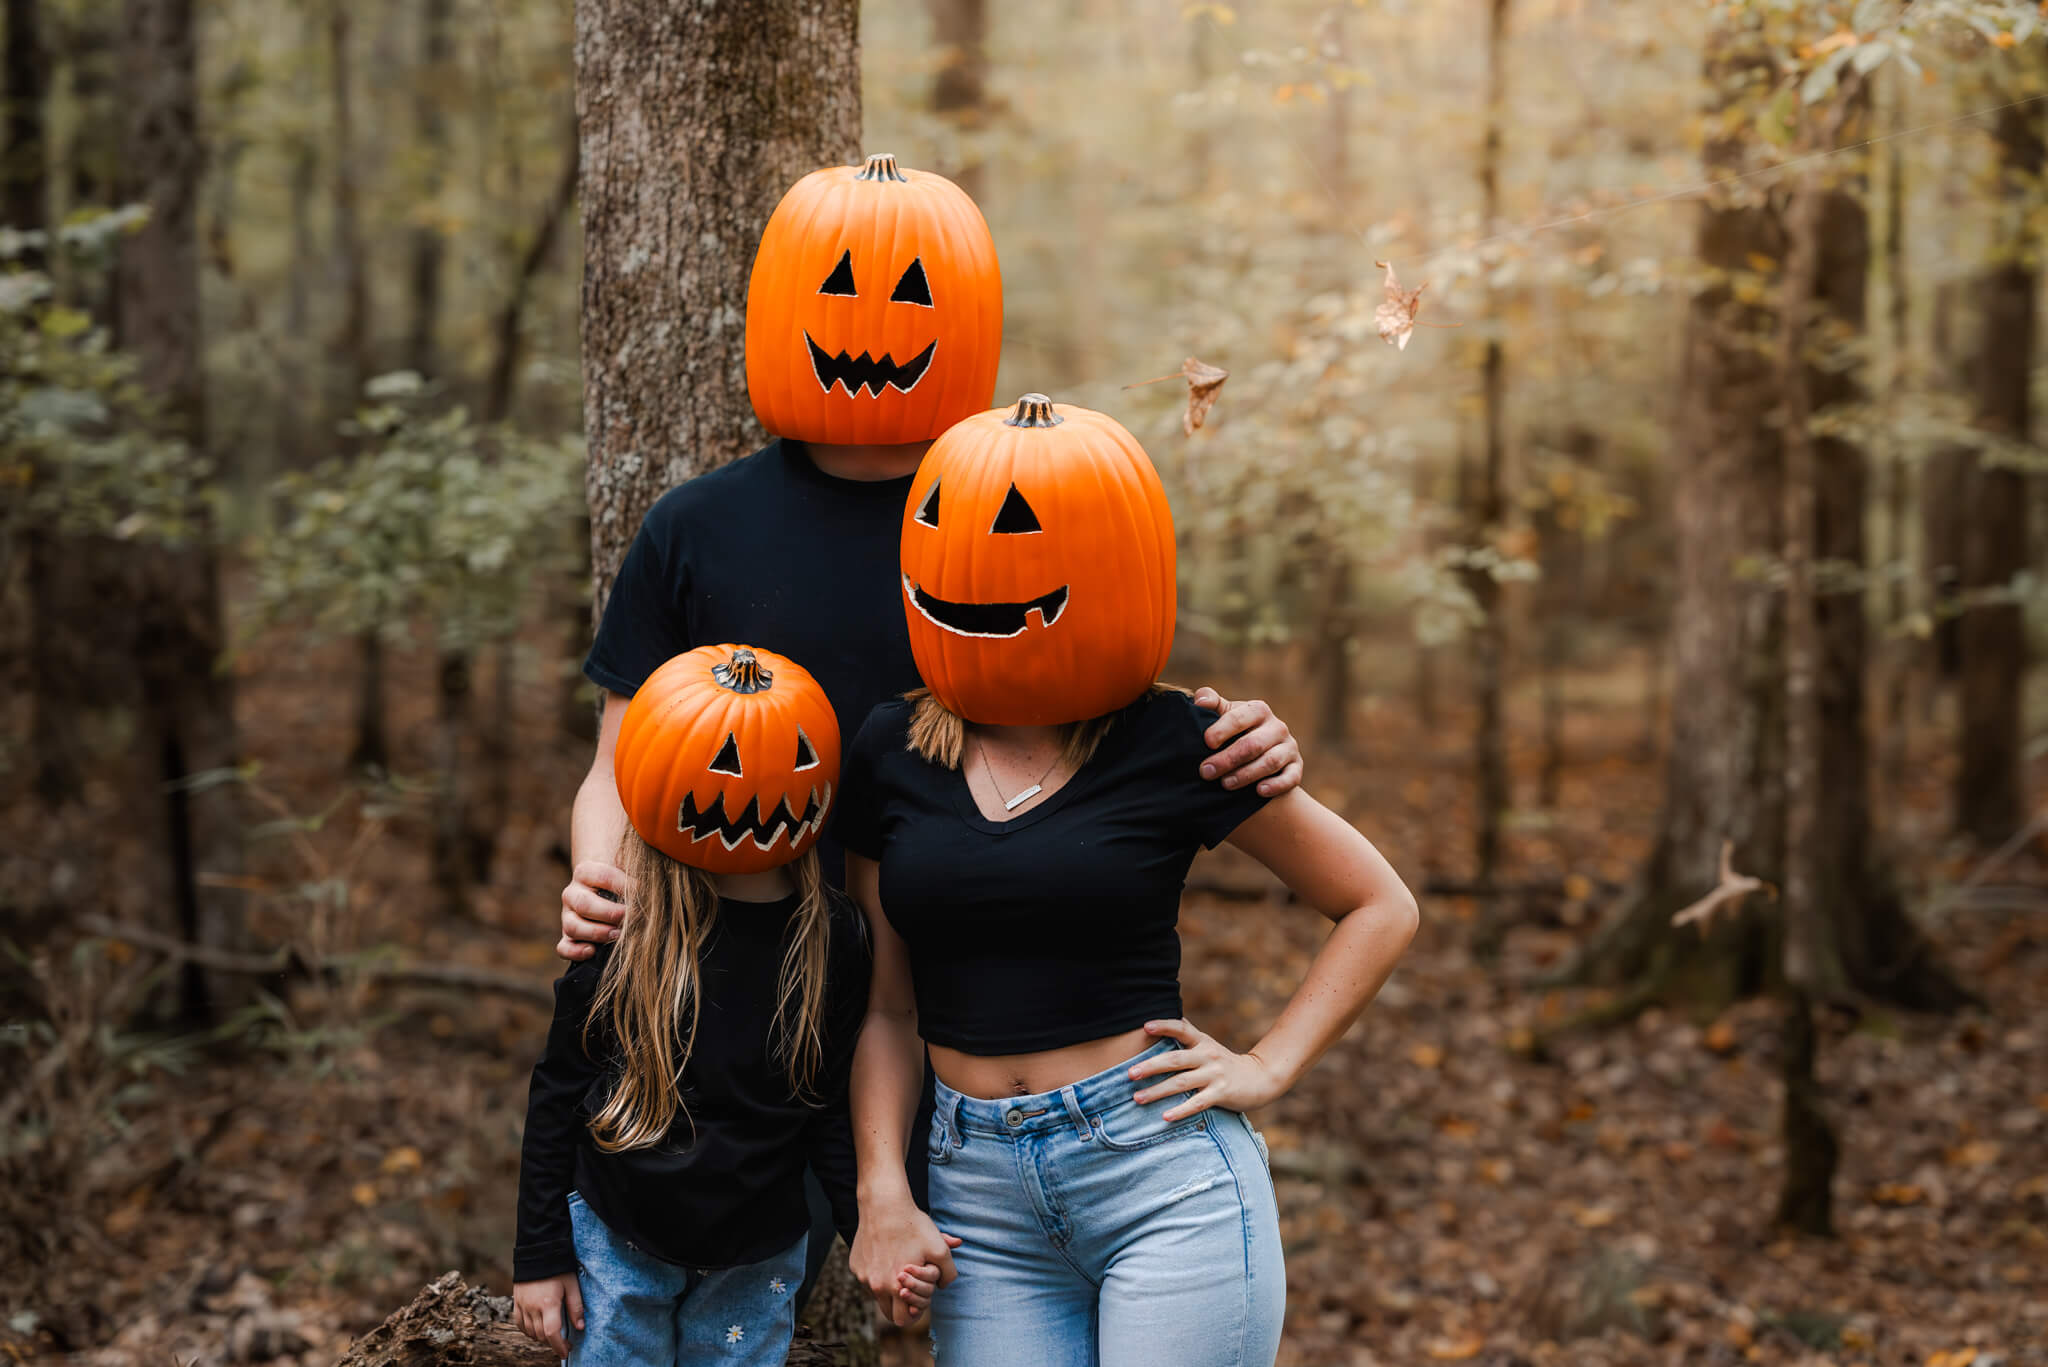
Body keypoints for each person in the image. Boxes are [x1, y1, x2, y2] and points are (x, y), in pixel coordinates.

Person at [556, 157, 1306, 1300]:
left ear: (965, 315)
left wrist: (1247, 737)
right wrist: (596, 870)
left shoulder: (1014, 506)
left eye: (909, 293)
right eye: (842, 285)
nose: (869, 320)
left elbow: (1093, 676)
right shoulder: (693, 527)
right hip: (738, 984)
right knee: (720, 1300)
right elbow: (618, 761)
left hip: (955, 1009)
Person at [838, 397, 1419, 1366]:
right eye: (944, 523)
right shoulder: (890, 749)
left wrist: (1268, 1063)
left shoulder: (1180, 741)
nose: (984, 559)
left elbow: (1377, 902)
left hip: (1159, 1172)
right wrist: (882, 1191)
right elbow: (886, 1010)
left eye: (1021, 529)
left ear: (1117, 560)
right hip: (974, 1188)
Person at [513, 645, 870, 1366]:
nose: (745, 778)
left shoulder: (832, 937)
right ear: (655, 767)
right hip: (617, 1238)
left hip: (756, 1253)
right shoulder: (621, 925)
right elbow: (558, 1089)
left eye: (784, 753)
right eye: (724, 759)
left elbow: (830, 1106)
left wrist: (871, 1226)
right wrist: (538, 1252)